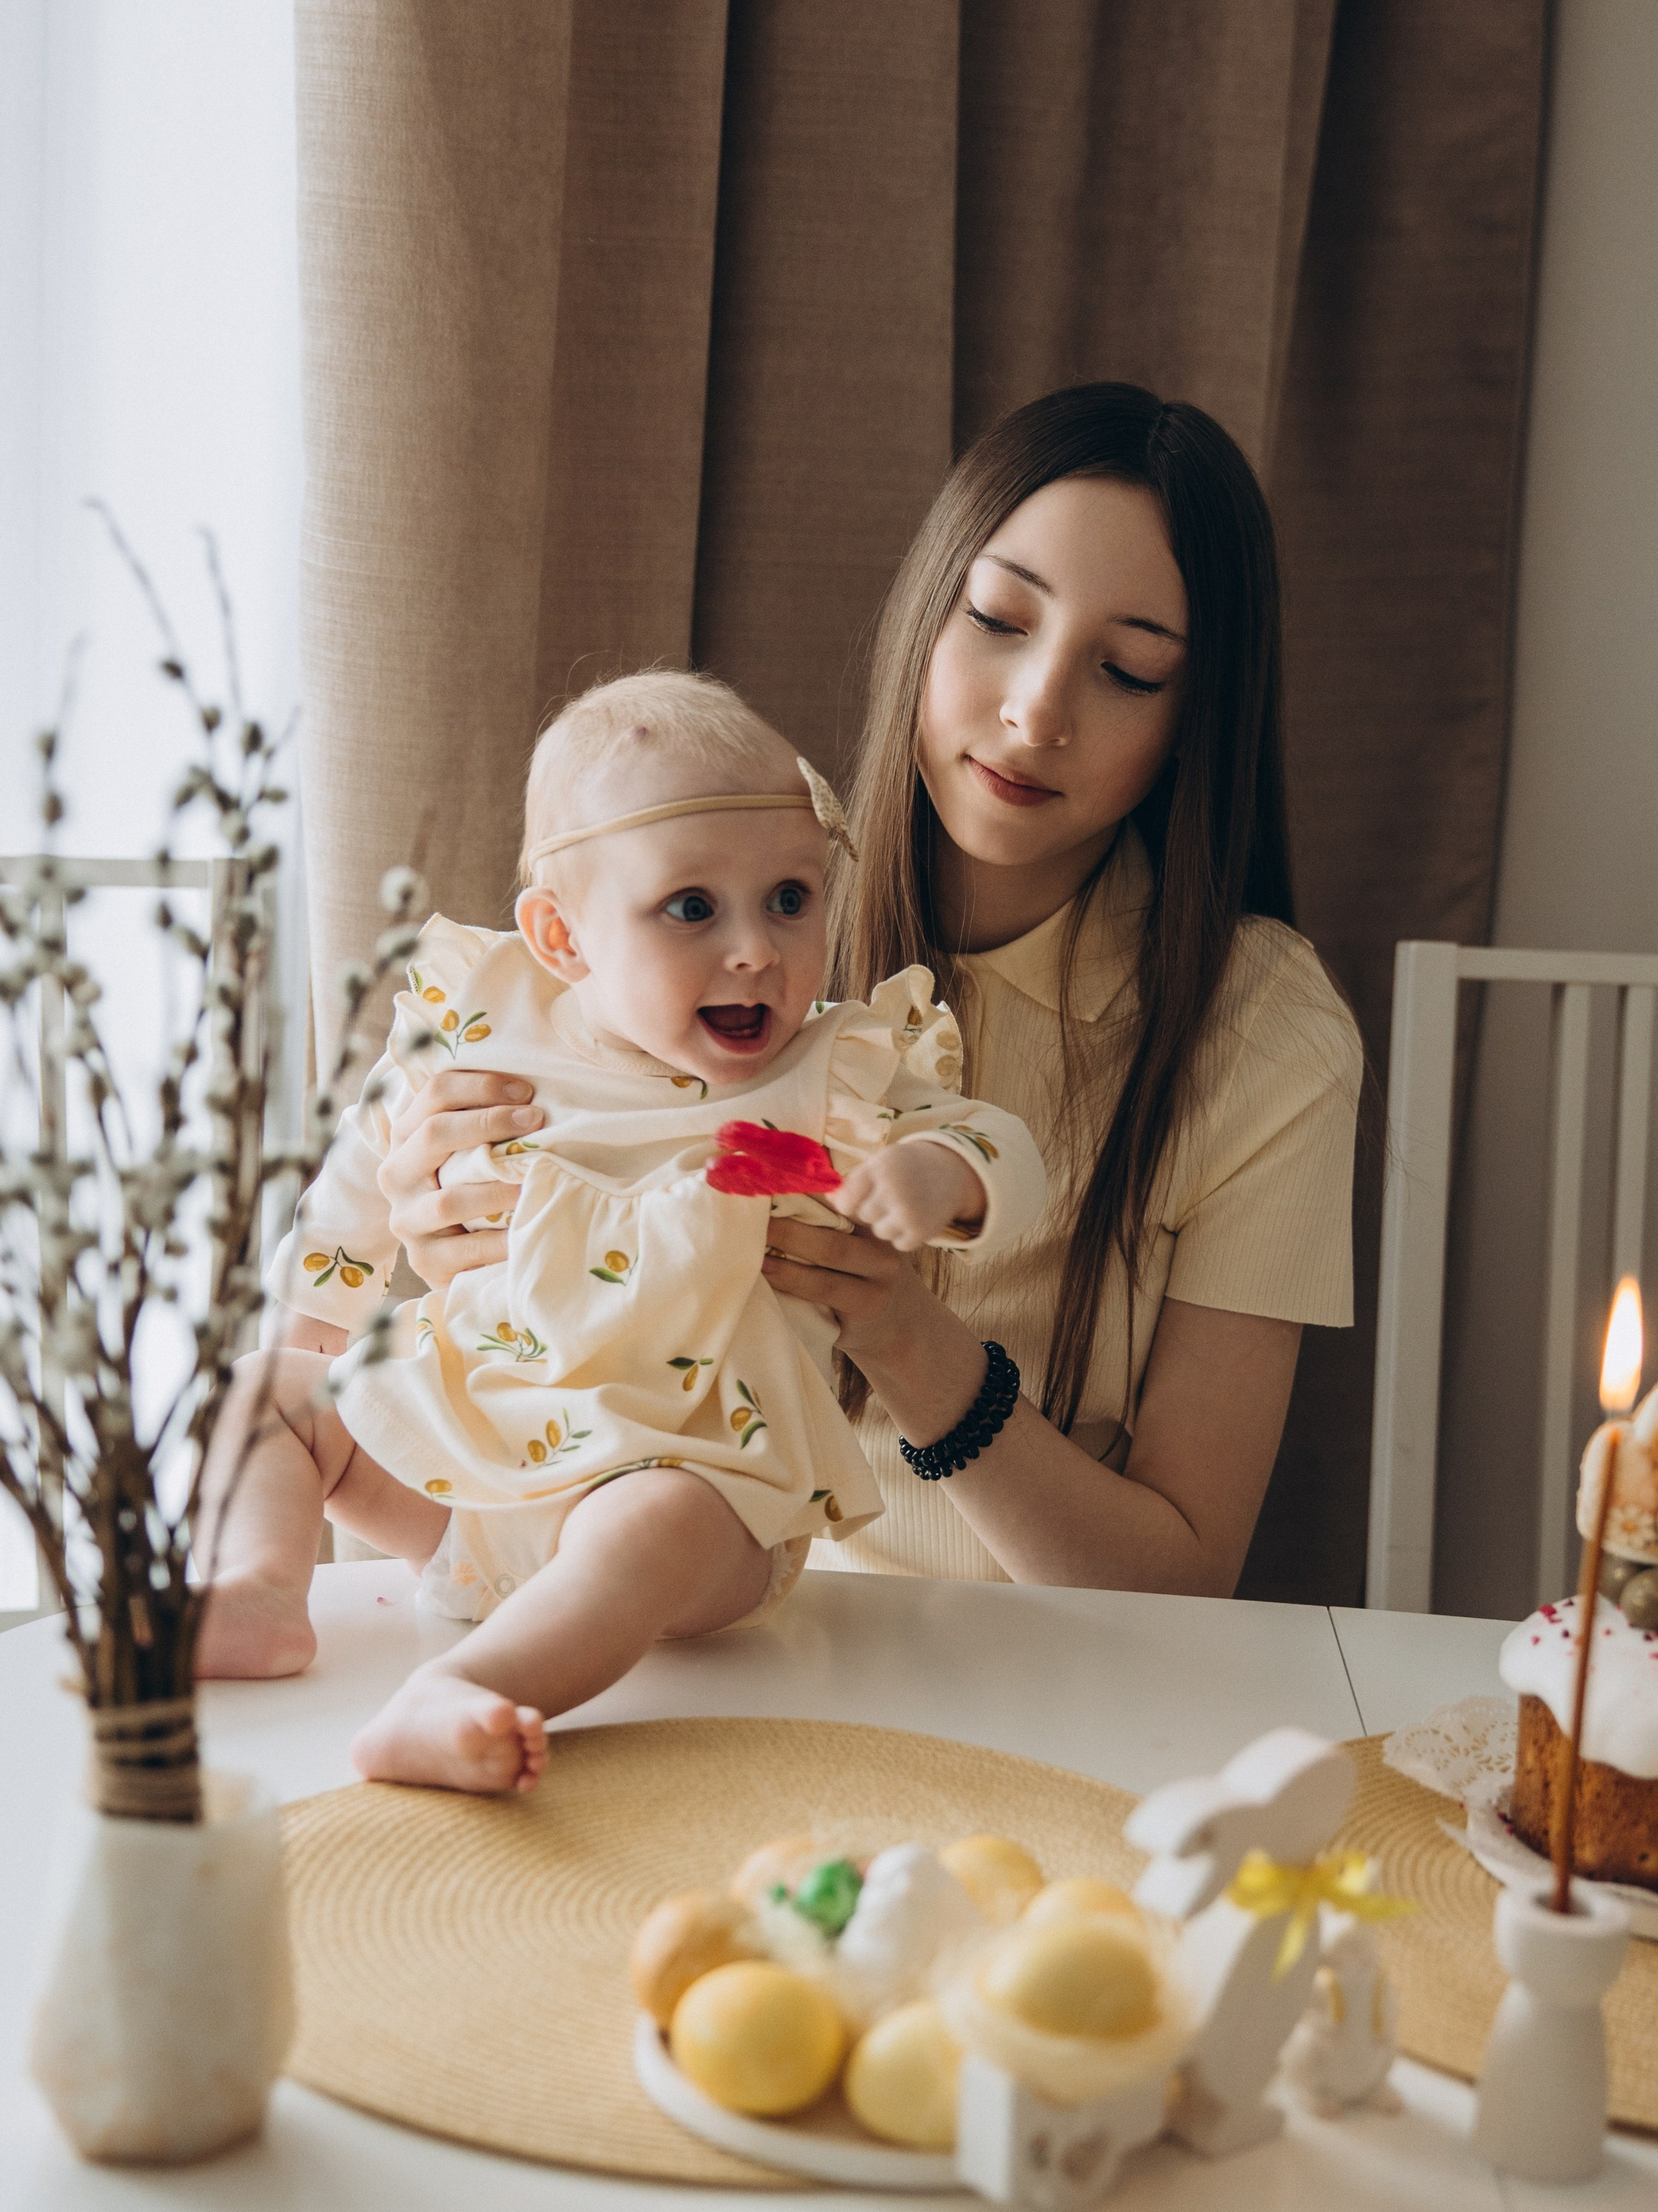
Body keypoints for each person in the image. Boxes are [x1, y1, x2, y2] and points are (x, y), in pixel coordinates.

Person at [369, 383, 1362, 1601]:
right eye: (998, 618)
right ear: (927, 615)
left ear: (1193, 721)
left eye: (1127, 670)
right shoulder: (741, 922)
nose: (1036, 711)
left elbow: (1179, 1582)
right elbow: (538, 1366)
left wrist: (909, 1342)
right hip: (684, 1626)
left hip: (1049, 1666)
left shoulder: (1258, 1027)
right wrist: (448, 1227)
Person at [195, 673, 1043, 1790]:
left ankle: (467, 1686)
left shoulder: (829, 1069)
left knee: (656, 1523)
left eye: (791, 898)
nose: (756, 950)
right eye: (692, 908)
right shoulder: (483, 1026)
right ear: (562, 937)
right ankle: (259, 1590)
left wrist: (939, 1175)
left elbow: (1002, 1147)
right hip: (471, 1471)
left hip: (691, 1482)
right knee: (259, 1386)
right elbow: (356, 1179)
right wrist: (317, 1333)